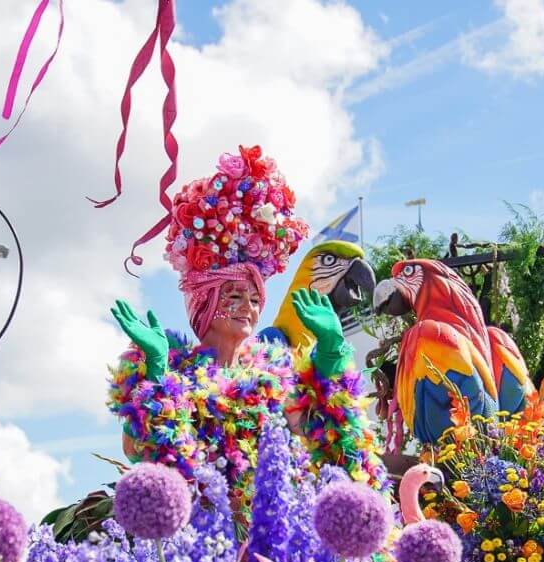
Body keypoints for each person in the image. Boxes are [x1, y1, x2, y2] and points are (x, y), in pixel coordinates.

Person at [108, 146, 385, 494]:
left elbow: (338, 450)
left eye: (255, 299)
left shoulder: (277, 378)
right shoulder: (180, 373)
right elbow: (142, 454)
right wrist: (157, 372)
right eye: (235, 297)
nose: (248, 308)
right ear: (204, 303)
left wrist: (331, 354)